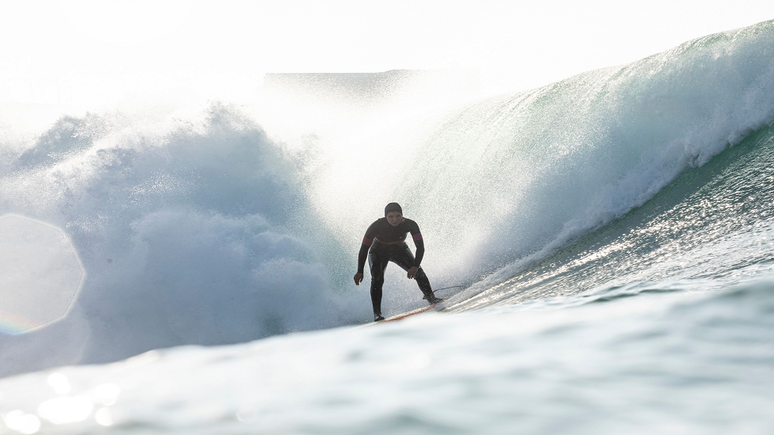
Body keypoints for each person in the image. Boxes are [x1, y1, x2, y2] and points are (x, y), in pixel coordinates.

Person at [354, 202, 442, 321]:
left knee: (419, 273)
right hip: (378, 252)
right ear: (386, 216)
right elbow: (364, 249)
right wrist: (360, 271)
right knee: (377, 279)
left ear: (402, 216)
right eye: (391, 216)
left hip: (399, 250)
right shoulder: (376, 226)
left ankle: (431, 299)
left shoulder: (410, 225)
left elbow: (420, 247)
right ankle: (377, 313)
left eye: (397, 216)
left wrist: (415, 266)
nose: (394, 220)